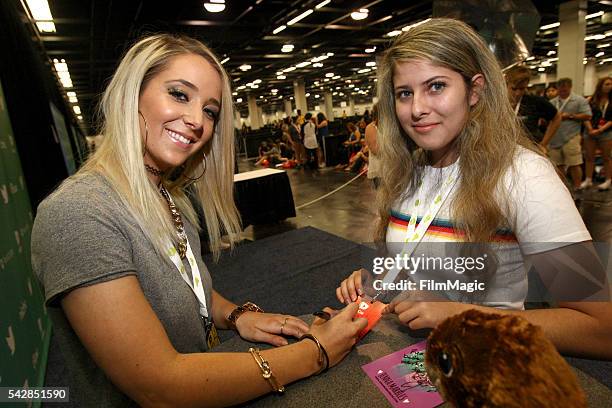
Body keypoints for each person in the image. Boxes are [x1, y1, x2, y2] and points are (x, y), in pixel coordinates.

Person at [31, 34, 367, 407]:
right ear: (132, 95)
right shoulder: (79, 213)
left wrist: (236, 315)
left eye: (209, 110)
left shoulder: (169, 196)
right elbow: (158, 386)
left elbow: (185, 288)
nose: (196, 121)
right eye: (179, 94)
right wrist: (317, 351)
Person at [336, 18, 612, 359]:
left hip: (489, 363)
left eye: (436, 86)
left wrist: (463, 315)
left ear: (475, 90)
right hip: (415, 354)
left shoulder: (524, 175)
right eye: (404, 93)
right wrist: (382, 280)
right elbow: (419, 268)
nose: (417, 108)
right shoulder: (408, 168)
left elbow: (602, 328)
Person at [546, 78, 592, 190]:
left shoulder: (579, 100)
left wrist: (570, 116)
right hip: (555, 138)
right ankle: (562, 189)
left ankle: (577, 187)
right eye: (560, 89)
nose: (562, 91)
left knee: (574, 164)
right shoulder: (552, 102)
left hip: (572, 137)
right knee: (558, 165)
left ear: (570, 87)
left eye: (565, 89)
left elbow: (588, 116)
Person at [504, 64, 561, 149]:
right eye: (514, 89)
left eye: (522, 89)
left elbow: (557, 117)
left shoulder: (534, 102)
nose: (518, 93)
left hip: (529, 150)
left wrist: (543, 144)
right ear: (506, 84)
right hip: (504, 150)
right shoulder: (498, 102)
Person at [581, 77, 612, 190]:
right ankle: (588, 179)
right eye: (607, 84)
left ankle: (608, 180)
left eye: (610, 84)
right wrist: (590, 129)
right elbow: (585, 116)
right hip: (590, 131)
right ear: (600, 85)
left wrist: (601, 129)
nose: (609, 86)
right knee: (589, 156)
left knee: (606, 157)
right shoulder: (590, 100)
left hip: (606, 132)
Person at [364, 103, 381, 188]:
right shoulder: (371, 127)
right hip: (380, 170)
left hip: (393, 169)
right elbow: (375, 150)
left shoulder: (390, 126)